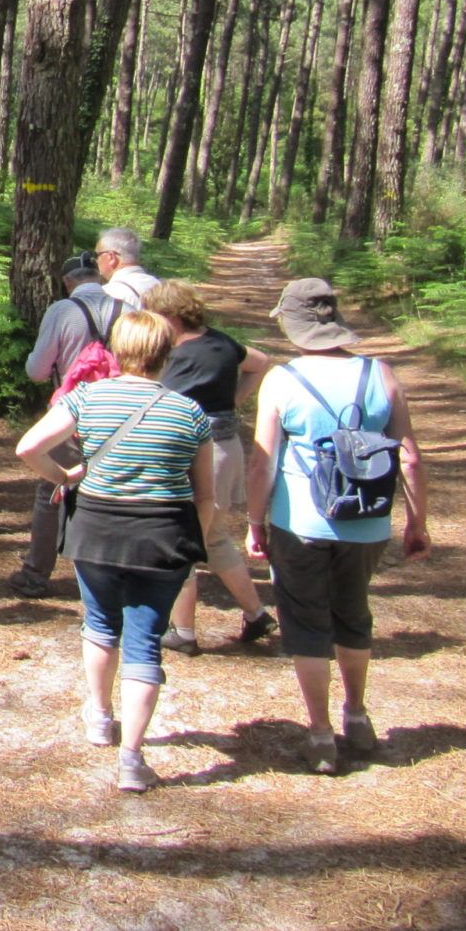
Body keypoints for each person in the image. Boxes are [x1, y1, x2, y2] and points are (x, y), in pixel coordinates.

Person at [15, 310, 216, 793]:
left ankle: (101, 716)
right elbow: (206, 495)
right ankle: (132, 758)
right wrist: (195, 543)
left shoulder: (88, 397)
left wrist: (64, 477)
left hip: (97, 529)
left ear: (118, 351)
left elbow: (28, 448)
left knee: (100, 623)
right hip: (164, 537)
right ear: (168, 354)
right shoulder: (190, 413)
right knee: (145, 642)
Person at [247, 278, 431, 776]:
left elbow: (263, 464)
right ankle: (358, 714)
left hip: (299, 522)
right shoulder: (381, 374)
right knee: (354, 615)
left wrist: (255, 522)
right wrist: (416, 522)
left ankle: (321, 734)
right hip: (368, 523)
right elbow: (409, 459)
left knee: (307, 625)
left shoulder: (283, 381)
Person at [145, 279, 276, 653]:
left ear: (170, 315)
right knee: (213, 538)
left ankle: (183, 632)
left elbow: (156, 402)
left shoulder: (182, 358)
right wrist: (234, 400)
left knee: (180, 540)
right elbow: (261, 362)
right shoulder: (220, 342)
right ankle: (256, 614)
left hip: (198, 458)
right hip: (226, 450)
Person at [9, 253, 120, 598]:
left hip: (73, 411)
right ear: (98, 277)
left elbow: (37, 370)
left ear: (68, 282)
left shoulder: (61, 311)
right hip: (122, 412)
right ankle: (115, 571)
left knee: (52, 489)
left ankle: (36, 573)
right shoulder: (127, 309)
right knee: (114, 487)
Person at [97, 227, 160, 312]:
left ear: (111, 257)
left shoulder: (109, 293)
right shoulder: (159, 285)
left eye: (97, 255)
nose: (96, 260)